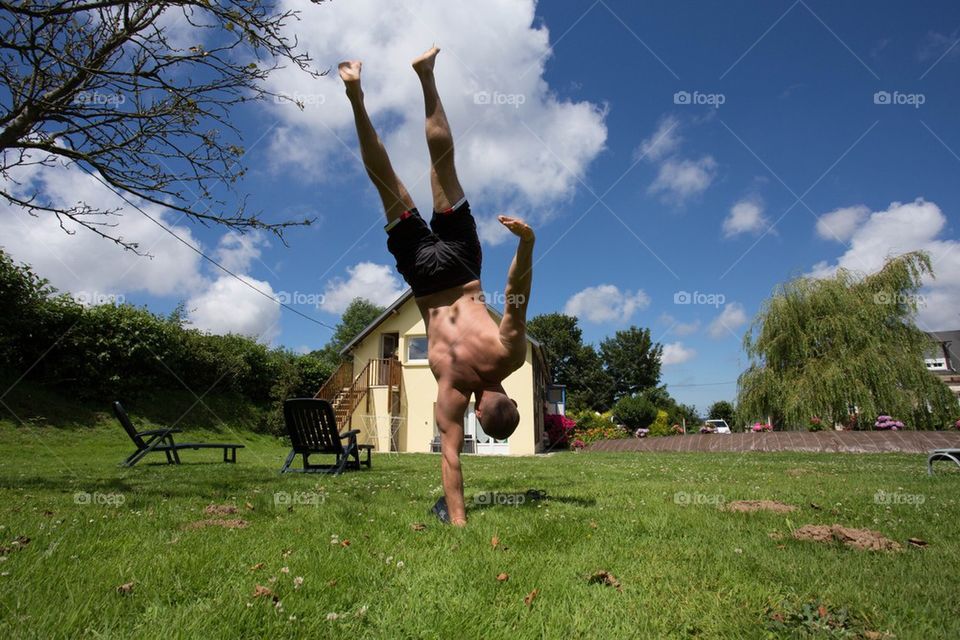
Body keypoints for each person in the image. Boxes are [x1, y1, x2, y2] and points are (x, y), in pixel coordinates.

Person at [340, 46, 534, 526]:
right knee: (383, 178)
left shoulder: (509, 356)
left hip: (463, 269)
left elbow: (517, 295)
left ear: (508, 399)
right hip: (423, 280)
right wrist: (460, 520)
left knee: (442, 163)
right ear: (478, 418)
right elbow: (451, 460)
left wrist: (527, 243)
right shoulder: (450, 390)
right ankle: (354, 95)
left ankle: (426, 75)